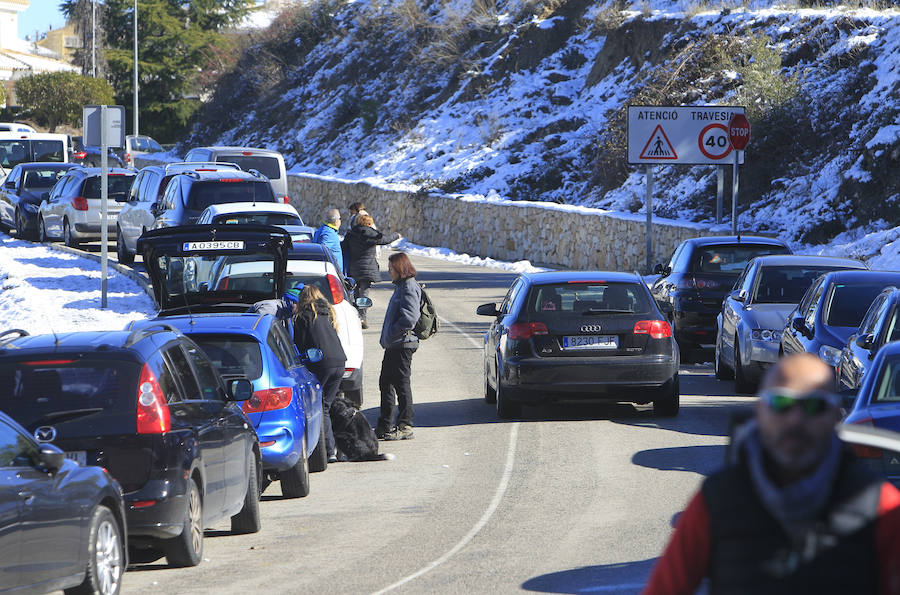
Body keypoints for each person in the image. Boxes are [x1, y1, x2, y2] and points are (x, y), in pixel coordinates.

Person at [644, 353, 900, 595]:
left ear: (836, 415)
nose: (795, 420)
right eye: (781, 403)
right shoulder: (717, 500)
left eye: (813, 406)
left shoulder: (880, 505)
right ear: (759, 411)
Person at [293, 285, 347, 464]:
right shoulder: (328, 313)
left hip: (322, 363)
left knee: (321, 406)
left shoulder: (303, 317)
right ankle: (338, 448)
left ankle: (327, 450)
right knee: (329, 405)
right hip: (339, 361)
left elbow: (299, 346)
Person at [375, 252, 421, 441]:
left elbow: (409, 318)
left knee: (401, 384)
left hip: (402, 344)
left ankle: (405, 425)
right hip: (394, 344)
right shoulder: (401, 286)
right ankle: (385, 425)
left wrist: (392, 332)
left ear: (399, 268)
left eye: (391, 268)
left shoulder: (409, 287)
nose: (388, 272)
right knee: (386, 383)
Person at [341, 213, 398, 329]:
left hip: (354, 267)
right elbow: (386, 239)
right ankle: (362, 317)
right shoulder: (373, 235)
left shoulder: (351, 234)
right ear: (369, 223)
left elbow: (343, 247)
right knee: (364, 293)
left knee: (356, 293)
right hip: (368, 268)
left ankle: (356, 315)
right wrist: (396, 235)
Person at [313, 208, 343, 272]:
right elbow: (322, 252)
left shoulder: (325, 230)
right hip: (332, 271)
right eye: (340, 219)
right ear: (336, 221)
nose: (340, 221)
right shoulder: (329, 233)